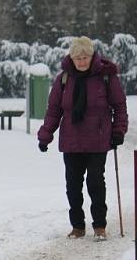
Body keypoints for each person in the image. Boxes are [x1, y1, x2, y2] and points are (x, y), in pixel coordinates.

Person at [37, 36, 128, 241]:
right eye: (77, 57)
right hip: (71, 140)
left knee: (96, 183)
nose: (81, 61)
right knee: (73, 185)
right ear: (72, 57)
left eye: (85, 57)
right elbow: (54, 110)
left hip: (98, 140)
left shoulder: (106, 77)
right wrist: (45, 136)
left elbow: (120, 106)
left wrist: (118, 131)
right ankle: (77, 227)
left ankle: (100, 226)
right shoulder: (63, 79)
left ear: (92, 55)